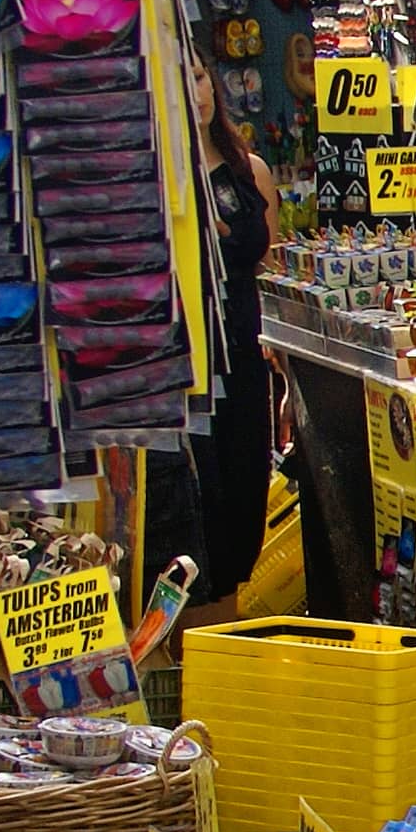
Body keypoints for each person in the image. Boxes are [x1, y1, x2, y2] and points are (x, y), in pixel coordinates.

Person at [185, 58, 278, 625]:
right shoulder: (157, 176)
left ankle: (224, 640)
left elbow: (266, 265)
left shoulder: (248, 169)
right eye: (181, 79)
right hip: (186, 368)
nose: (195, 91)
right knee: (197, 514)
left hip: (243, 357)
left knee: (242, 508)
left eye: (199, 75)